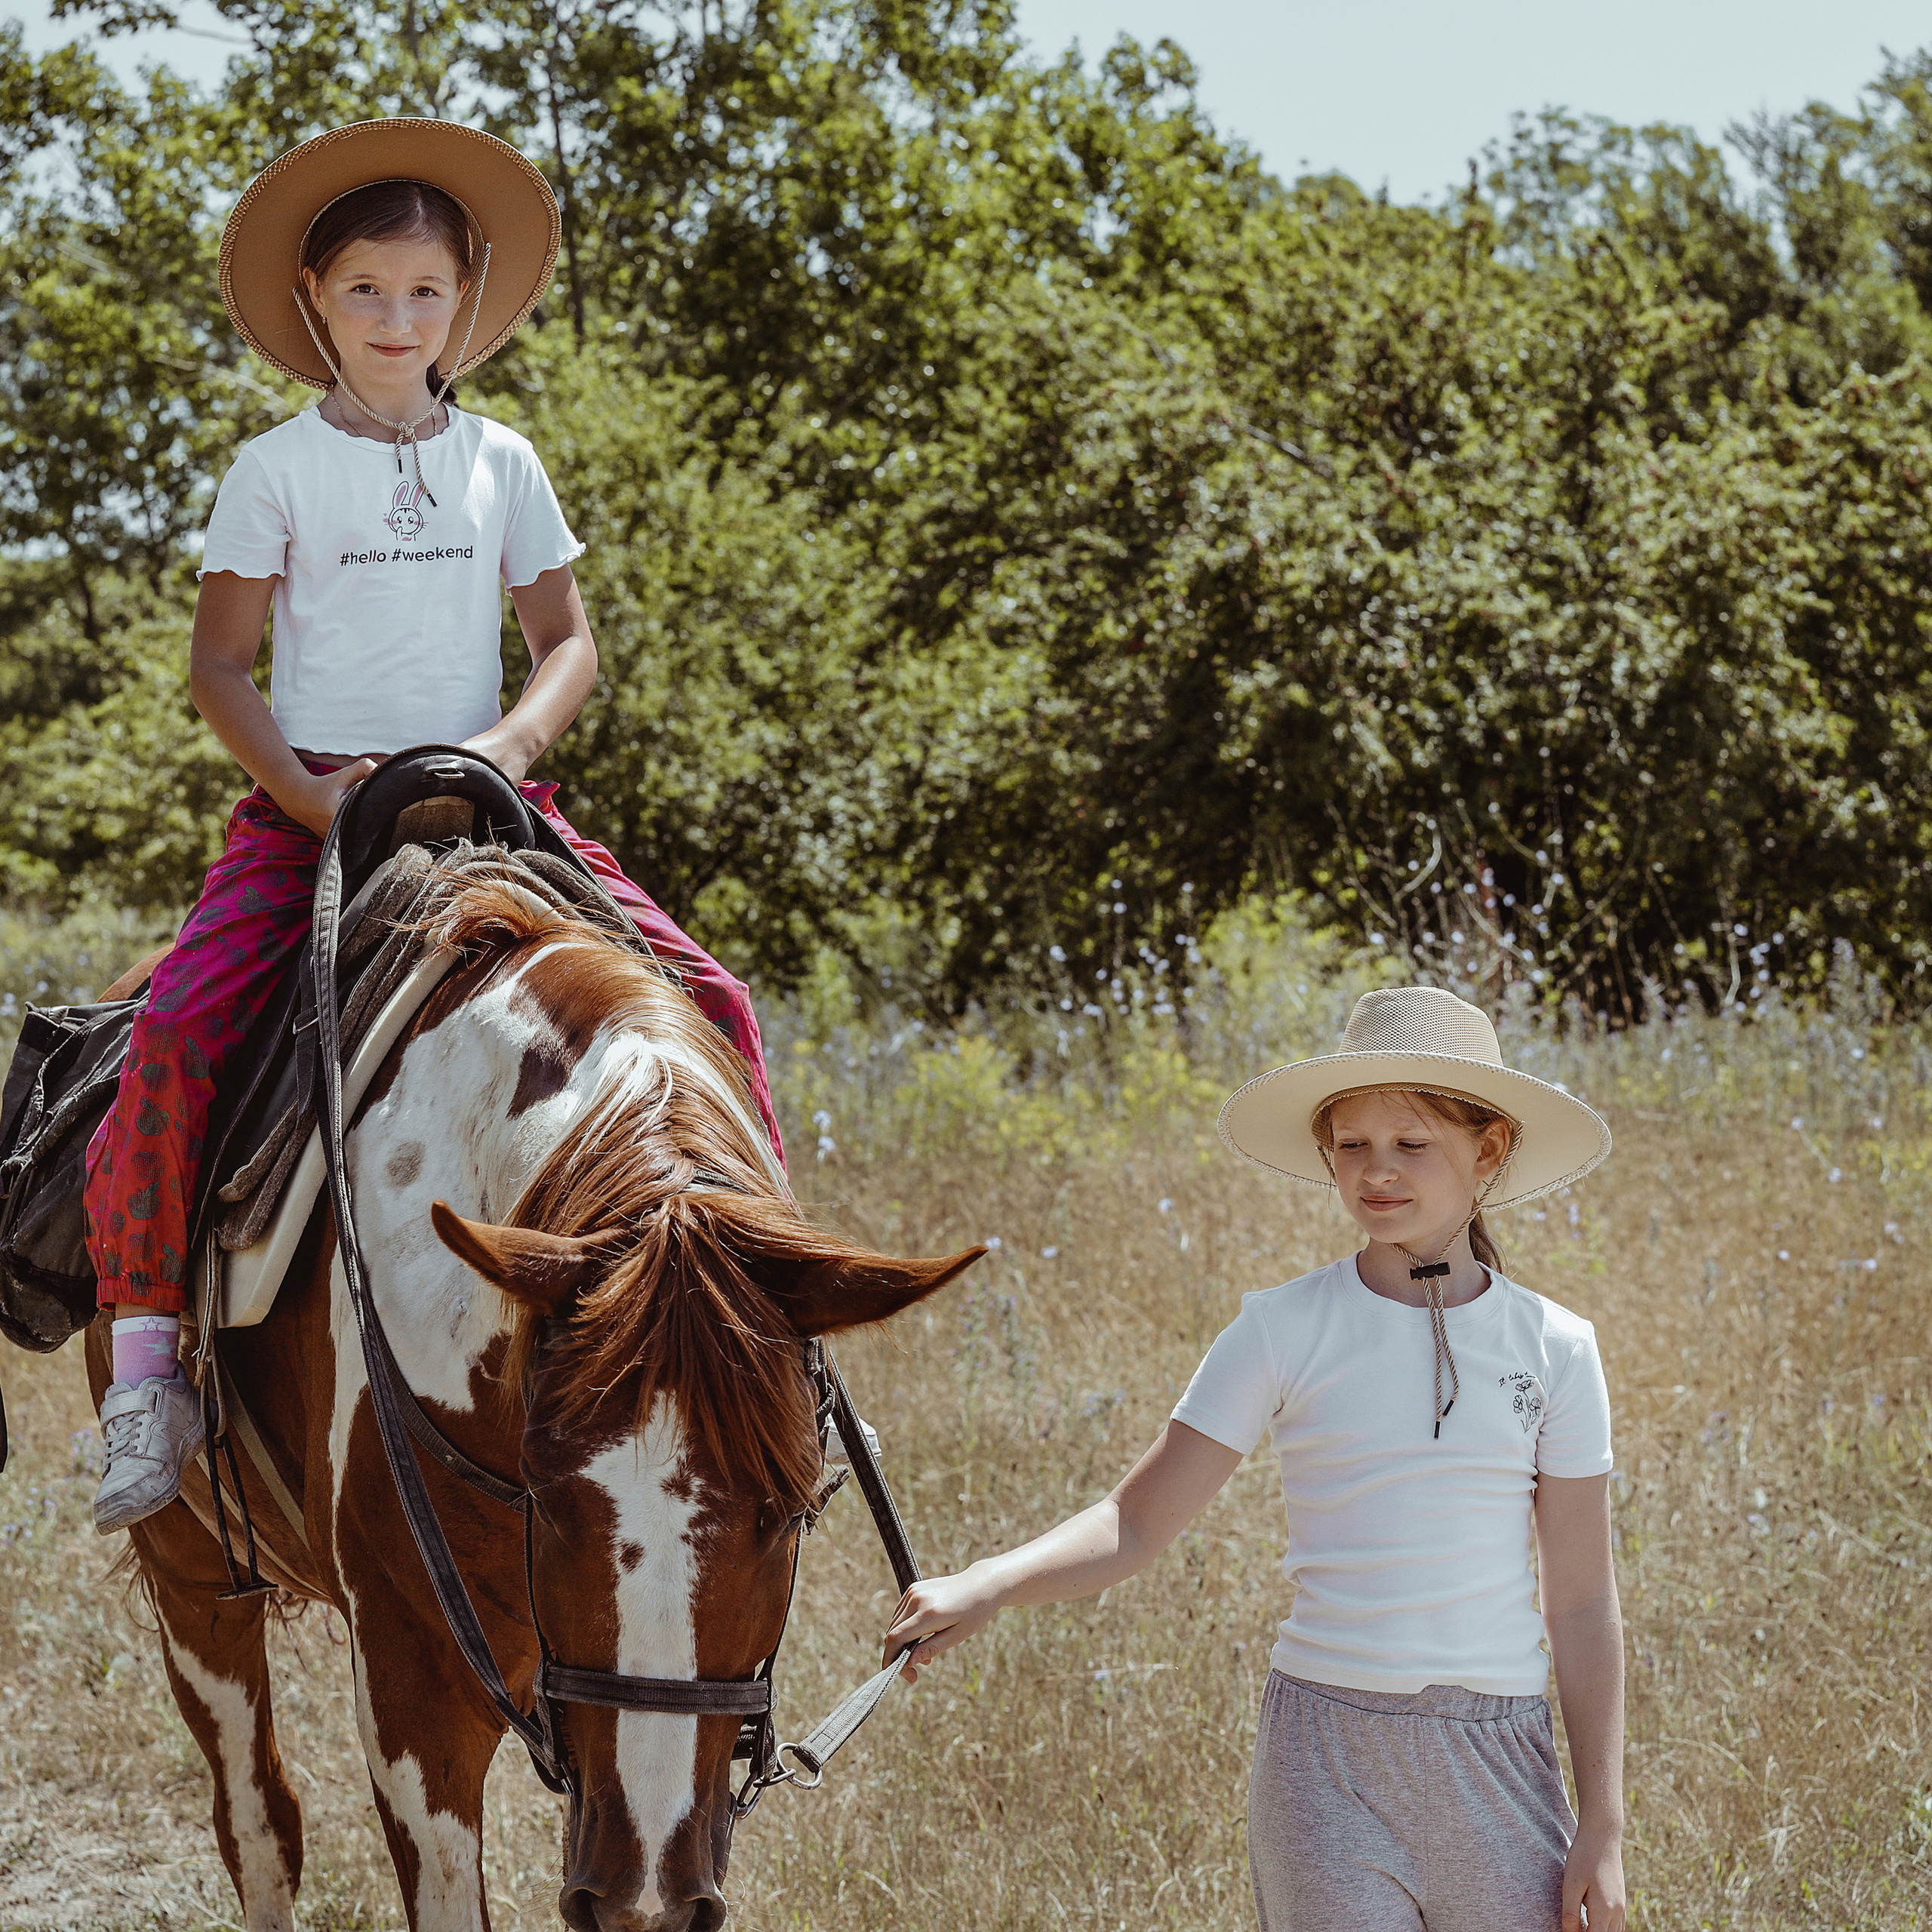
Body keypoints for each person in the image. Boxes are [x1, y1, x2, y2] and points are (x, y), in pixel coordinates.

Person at [86, 118, 783, 1535]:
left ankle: (759, 1314)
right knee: (168, 1038)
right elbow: (221, 664)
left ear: (464, 302)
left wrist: (514, 746)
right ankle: (148, 1368)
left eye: (423, 293)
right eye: (364, 291)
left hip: (488, 800)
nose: (396, 320)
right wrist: (303, 790)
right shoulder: (274, 468)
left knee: (714, 994)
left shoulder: (503, 459)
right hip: (317, 807)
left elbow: (567, 641)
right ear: (313, 304)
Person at [885, 986, 1627, 1931]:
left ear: (1488, 1151)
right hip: (1326, 1756)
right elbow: (1137, 1519)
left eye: (1411, 1143)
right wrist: (990, 1581)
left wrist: (1601, 1820)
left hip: (1499, 1754)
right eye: (1351, 1144)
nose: (1377, 1171)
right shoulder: (1283, 1327)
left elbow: (1580, 1599)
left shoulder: (1556, 1346)